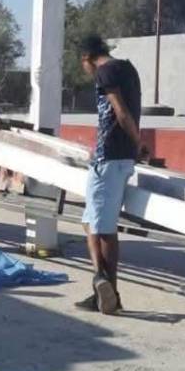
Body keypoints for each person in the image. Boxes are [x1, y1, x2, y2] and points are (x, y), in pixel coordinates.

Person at [74, 34, 147, 315]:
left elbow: (121, 112)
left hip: (109, 159)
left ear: (86, 59)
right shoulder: (127, 68)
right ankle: (101, 285)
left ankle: (108, 288)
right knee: (90, 221)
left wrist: (137, 142)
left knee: (104, 228)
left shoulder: (104, 72)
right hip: (117, 157)